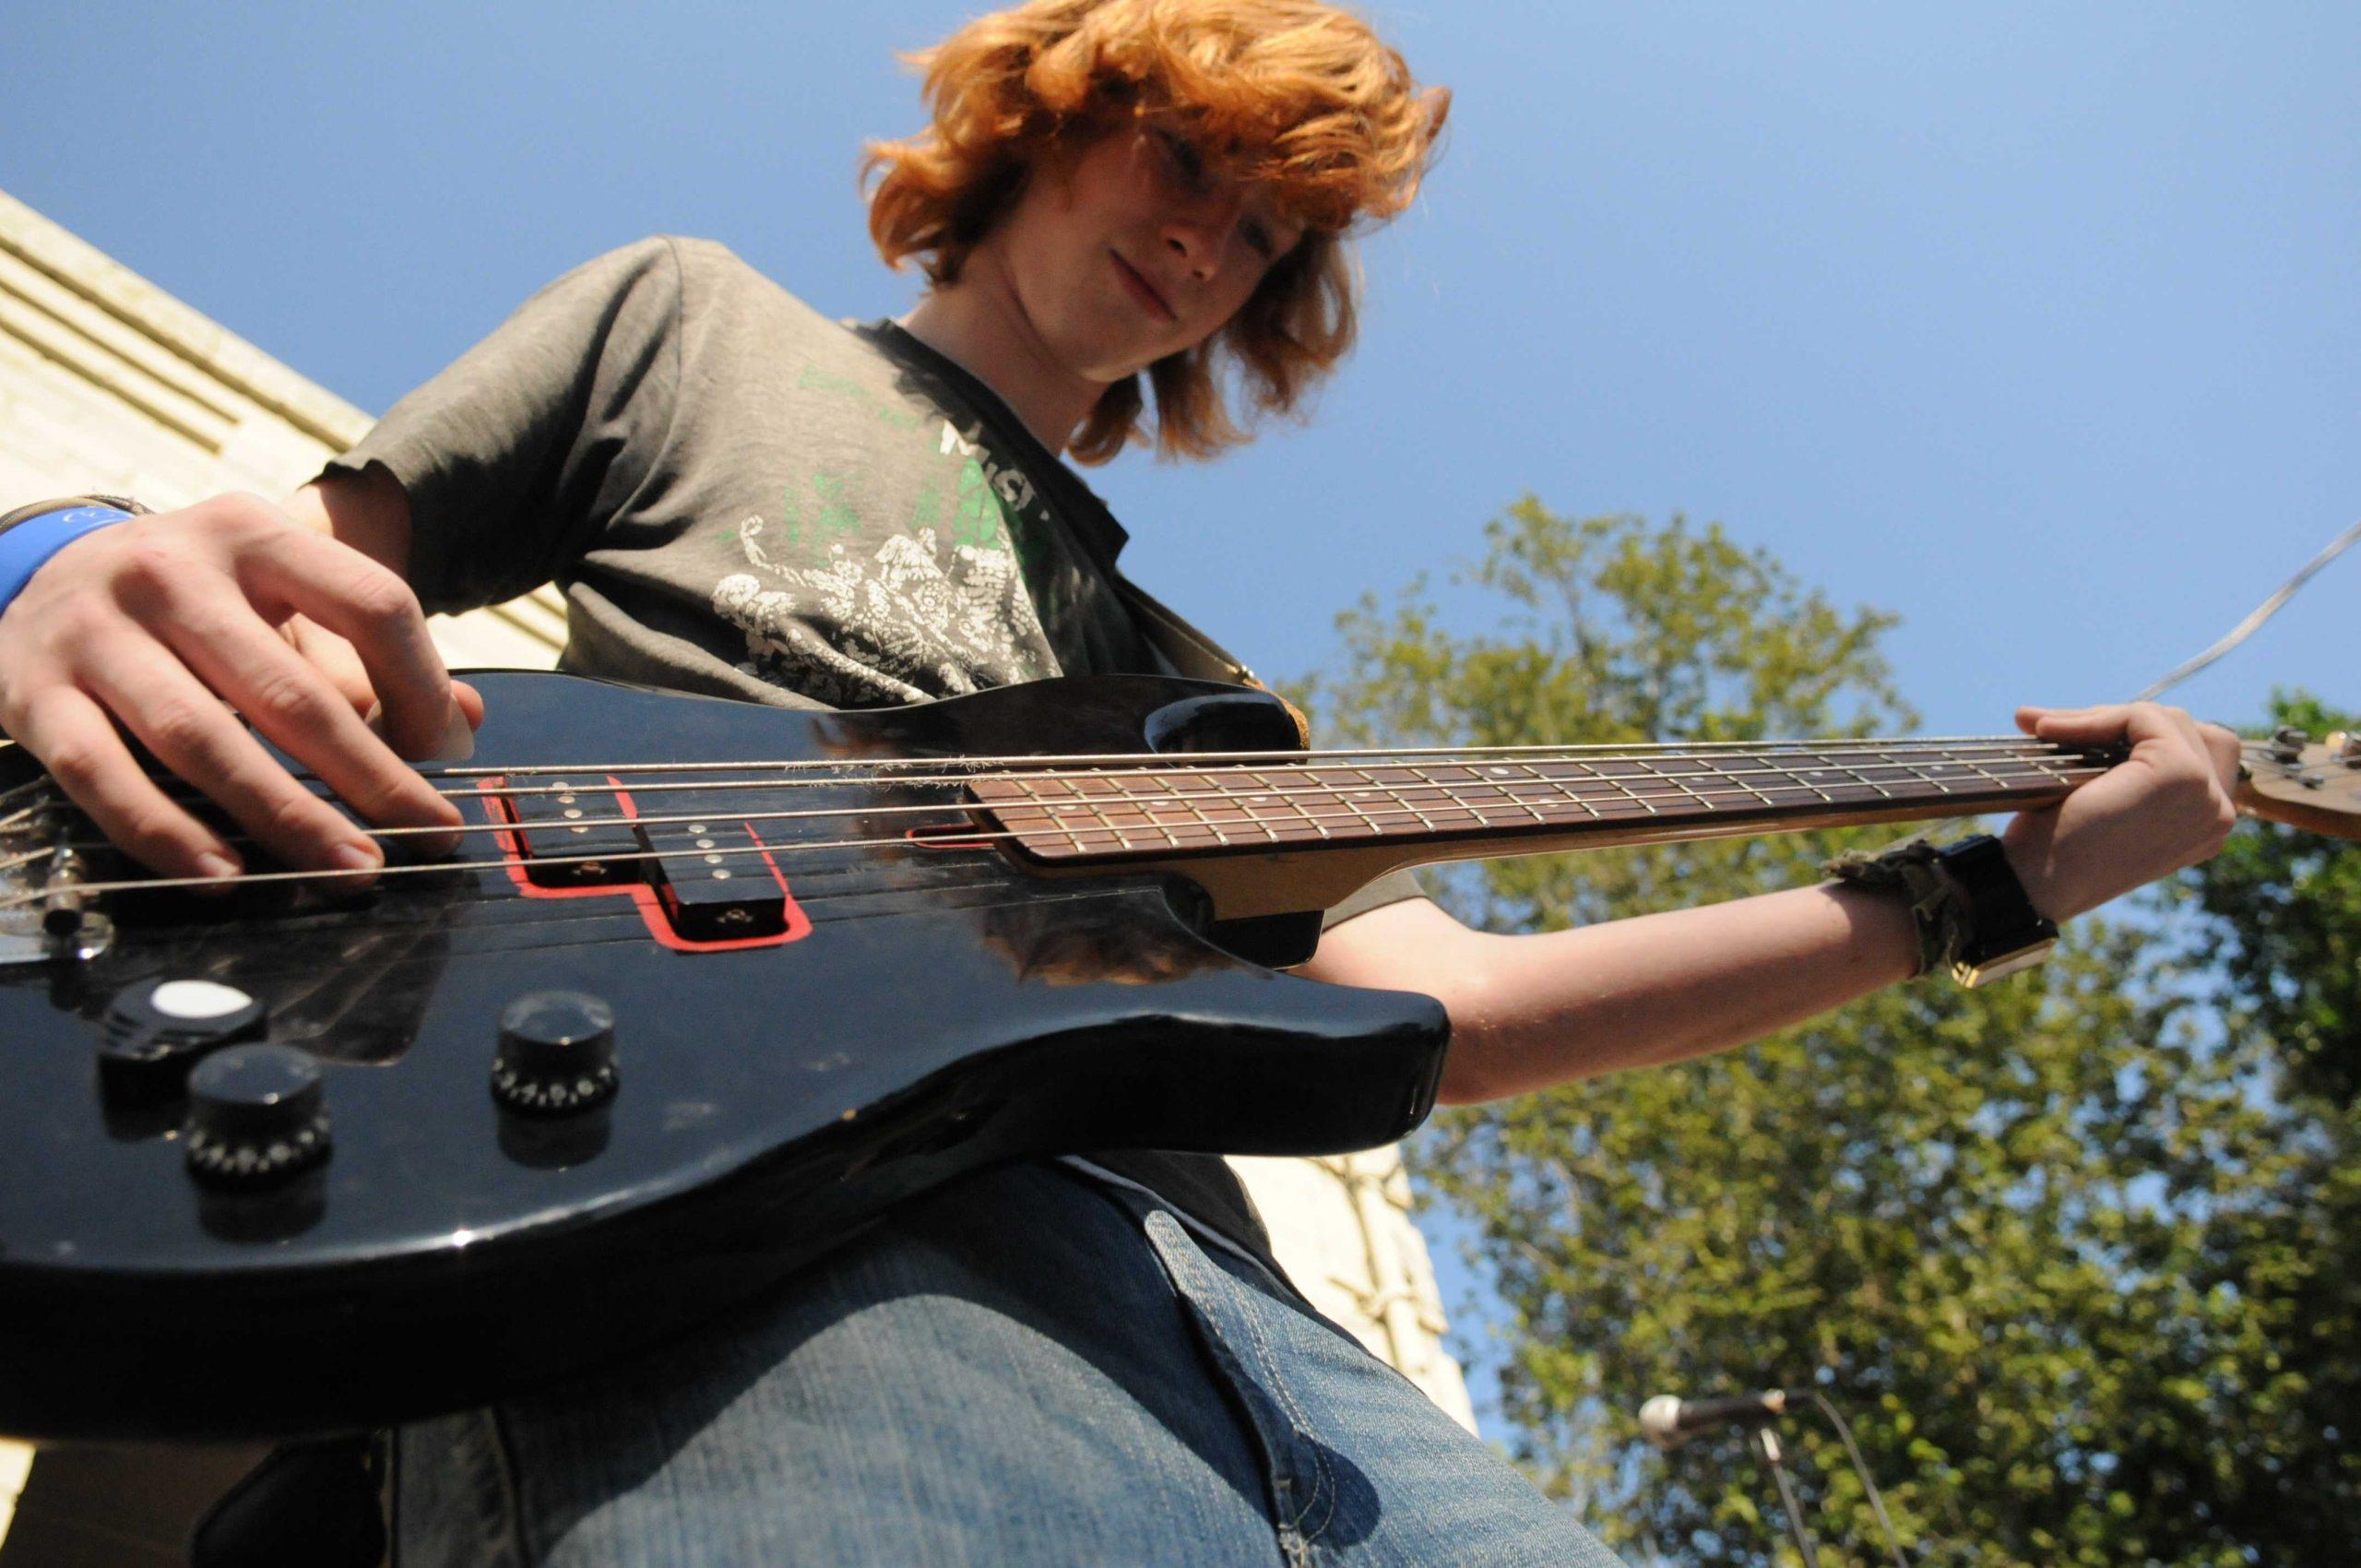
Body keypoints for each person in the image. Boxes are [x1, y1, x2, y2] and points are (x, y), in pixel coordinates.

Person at [0, 1, 2243, 1562]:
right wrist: (57, 559)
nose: (1206, 240)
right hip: (748, 1220)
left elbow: (1433, 1015)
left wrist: (1986, 897)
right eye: (1187, 159)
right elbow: (276, 598)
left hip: (1256, 1327)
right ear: (1043, 120)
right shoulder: (694, 325)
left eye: (1265, 229)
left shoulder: (1203, 692)